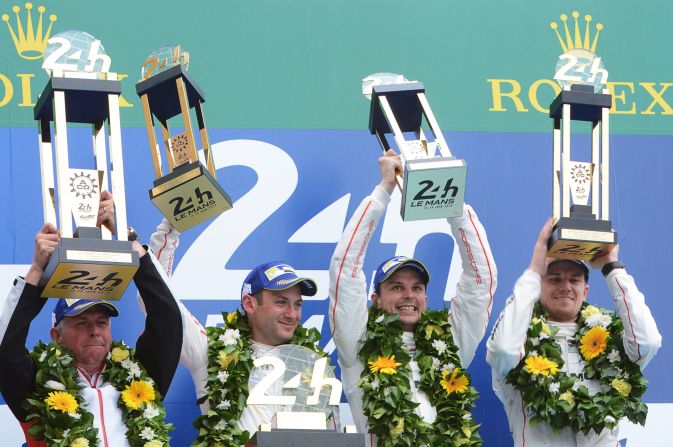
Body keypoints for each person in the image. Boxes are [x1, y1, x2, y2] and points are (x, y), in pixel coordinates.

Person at [329, 150, 497, 446]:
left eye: (417, 287)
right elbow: (345, 270)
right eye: (396, 287)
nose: (409, 295)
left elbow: (482, 278)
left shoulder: (451, 344)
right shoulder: (357, 344)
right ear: (375, 298)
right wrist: (383, 191)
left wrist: (452, 202)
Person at [0, 191, 183, 447]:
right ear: (56, 336)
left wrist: (128, 242)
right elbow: (5, 350)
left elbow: (169, 321)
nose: (95, 331)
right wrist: (37, 273)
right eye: (81, 323)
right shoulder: (36, 386)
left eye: (102, 322)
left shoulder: (141, 379)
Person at [138, 220, 328, 445]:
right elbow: (161, 306)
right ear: (249, 303)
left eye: (297, 304)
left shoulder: (309, 362)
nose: (292, 314)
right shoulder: (212, 352)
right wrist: (167, 231)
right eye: (281, 302)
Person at [486, 219, 662, 446]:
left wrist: (612, 268)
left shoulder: (608, 340)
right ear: (539, 287)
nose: (565, 286)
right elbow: (502, 350)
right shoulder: (518, 339)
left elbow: (647, 342)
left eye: (574, 280)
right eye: (554, 278)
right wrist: (534, 270)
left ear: (585, 290)